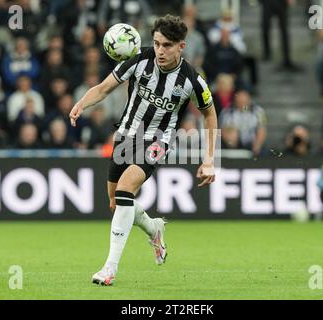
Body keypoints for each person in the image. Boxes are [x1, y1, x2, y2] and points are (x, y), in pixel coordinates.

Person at [69, 15, 217, 286]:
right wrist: (82, 103)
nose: (160, 50)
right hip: (126, 137)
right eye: (157, 43)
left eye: (168, 46)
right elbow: (103, 89)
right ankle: (153, 228)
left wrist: (209, 159)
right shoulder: (138, 61)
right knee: (116, 202)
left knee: (126, 190)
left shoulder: (193, 80)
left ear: (181, 47)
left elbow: (210, 115)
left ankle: (109, 268)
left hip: (158, 141)